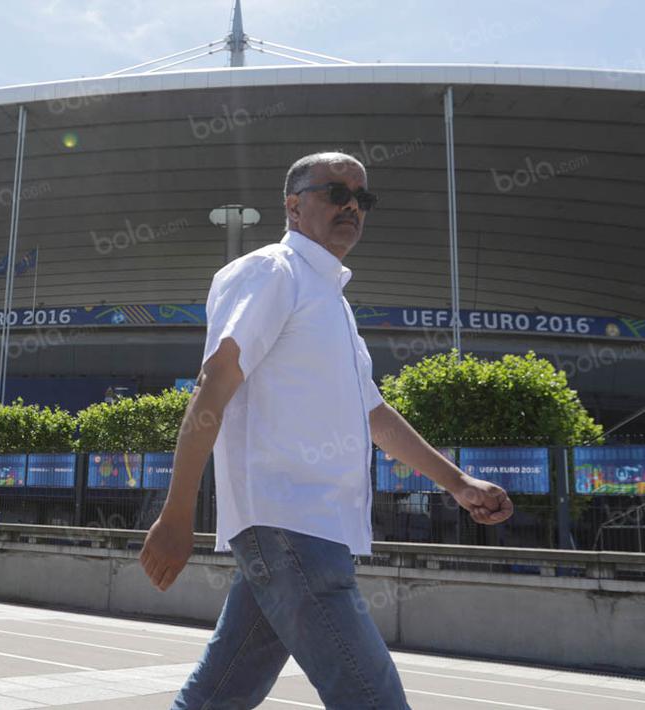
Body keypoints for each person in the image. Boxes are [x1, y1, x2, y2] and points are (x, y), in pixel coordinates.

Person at [140, 151, 514, 709]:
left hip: (311, 531)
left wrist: (458, 483)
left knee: (219, 695)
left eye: (362, 198)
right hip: (290, 528)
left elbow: (376, 416)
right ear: (293, 206)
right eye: (336, 192)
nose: (352, 207)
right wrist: (177, 513)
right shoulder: (272, 271)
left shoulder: (334, 306)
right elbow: (215, 383)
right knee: (374, 698)